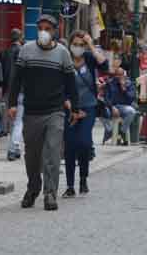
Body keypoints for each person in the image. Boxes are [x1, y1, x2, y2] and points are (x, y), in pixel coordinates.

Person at [8, 14, 79, 211]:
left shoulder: (63, 54)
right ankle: (33, 187)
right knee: (32, 155)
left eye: (48, 28)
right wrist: (12, 103)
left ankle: (50, 193)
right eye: (41, 28)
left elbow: (71, 84)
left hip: (55, 111)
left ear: (55, 31)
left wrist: (76, 107)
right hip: (31, 110)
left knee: (52, 153)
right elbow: (16, 79)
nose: (44, 32)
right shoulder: (26, 50)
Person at [62, 31, 107, 198]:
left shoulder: (89, 58)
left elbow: (104, 65)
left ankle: (83, 178)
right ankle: (70, 185)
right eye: (75, 44)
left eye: (81, 45)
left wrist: (91, 45)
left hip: (88, 108)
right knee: (70, 147)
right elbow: (60, 87)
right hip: (69, 109)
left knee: (84, 144)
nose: (78, 48)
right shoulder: (64, 59)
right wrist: (71, 108)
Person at [1, 29, 24, 161]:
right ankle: (13, 148)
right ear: (20, 38)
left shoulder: (4, 52)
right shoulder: (23, 52)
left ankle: (14, 148)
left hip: (7, 90)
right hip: (20, 91)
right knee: (18, 122)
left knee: (12, 121)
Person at [104, 68, 137, 145]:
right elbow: (106, 97)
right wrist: (112, 107)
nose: (118, 77)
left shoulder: (129, 83)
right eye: (117, 75)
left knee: (131, 112)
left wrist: (124, 88)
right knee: (100, 112)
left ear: (124, 75)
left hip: (124, 106)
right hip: (112, 106)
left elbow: (131, 99)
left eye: (120, 75)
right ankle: (110, 130)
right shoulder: (110, 83)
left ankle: (122, 131)